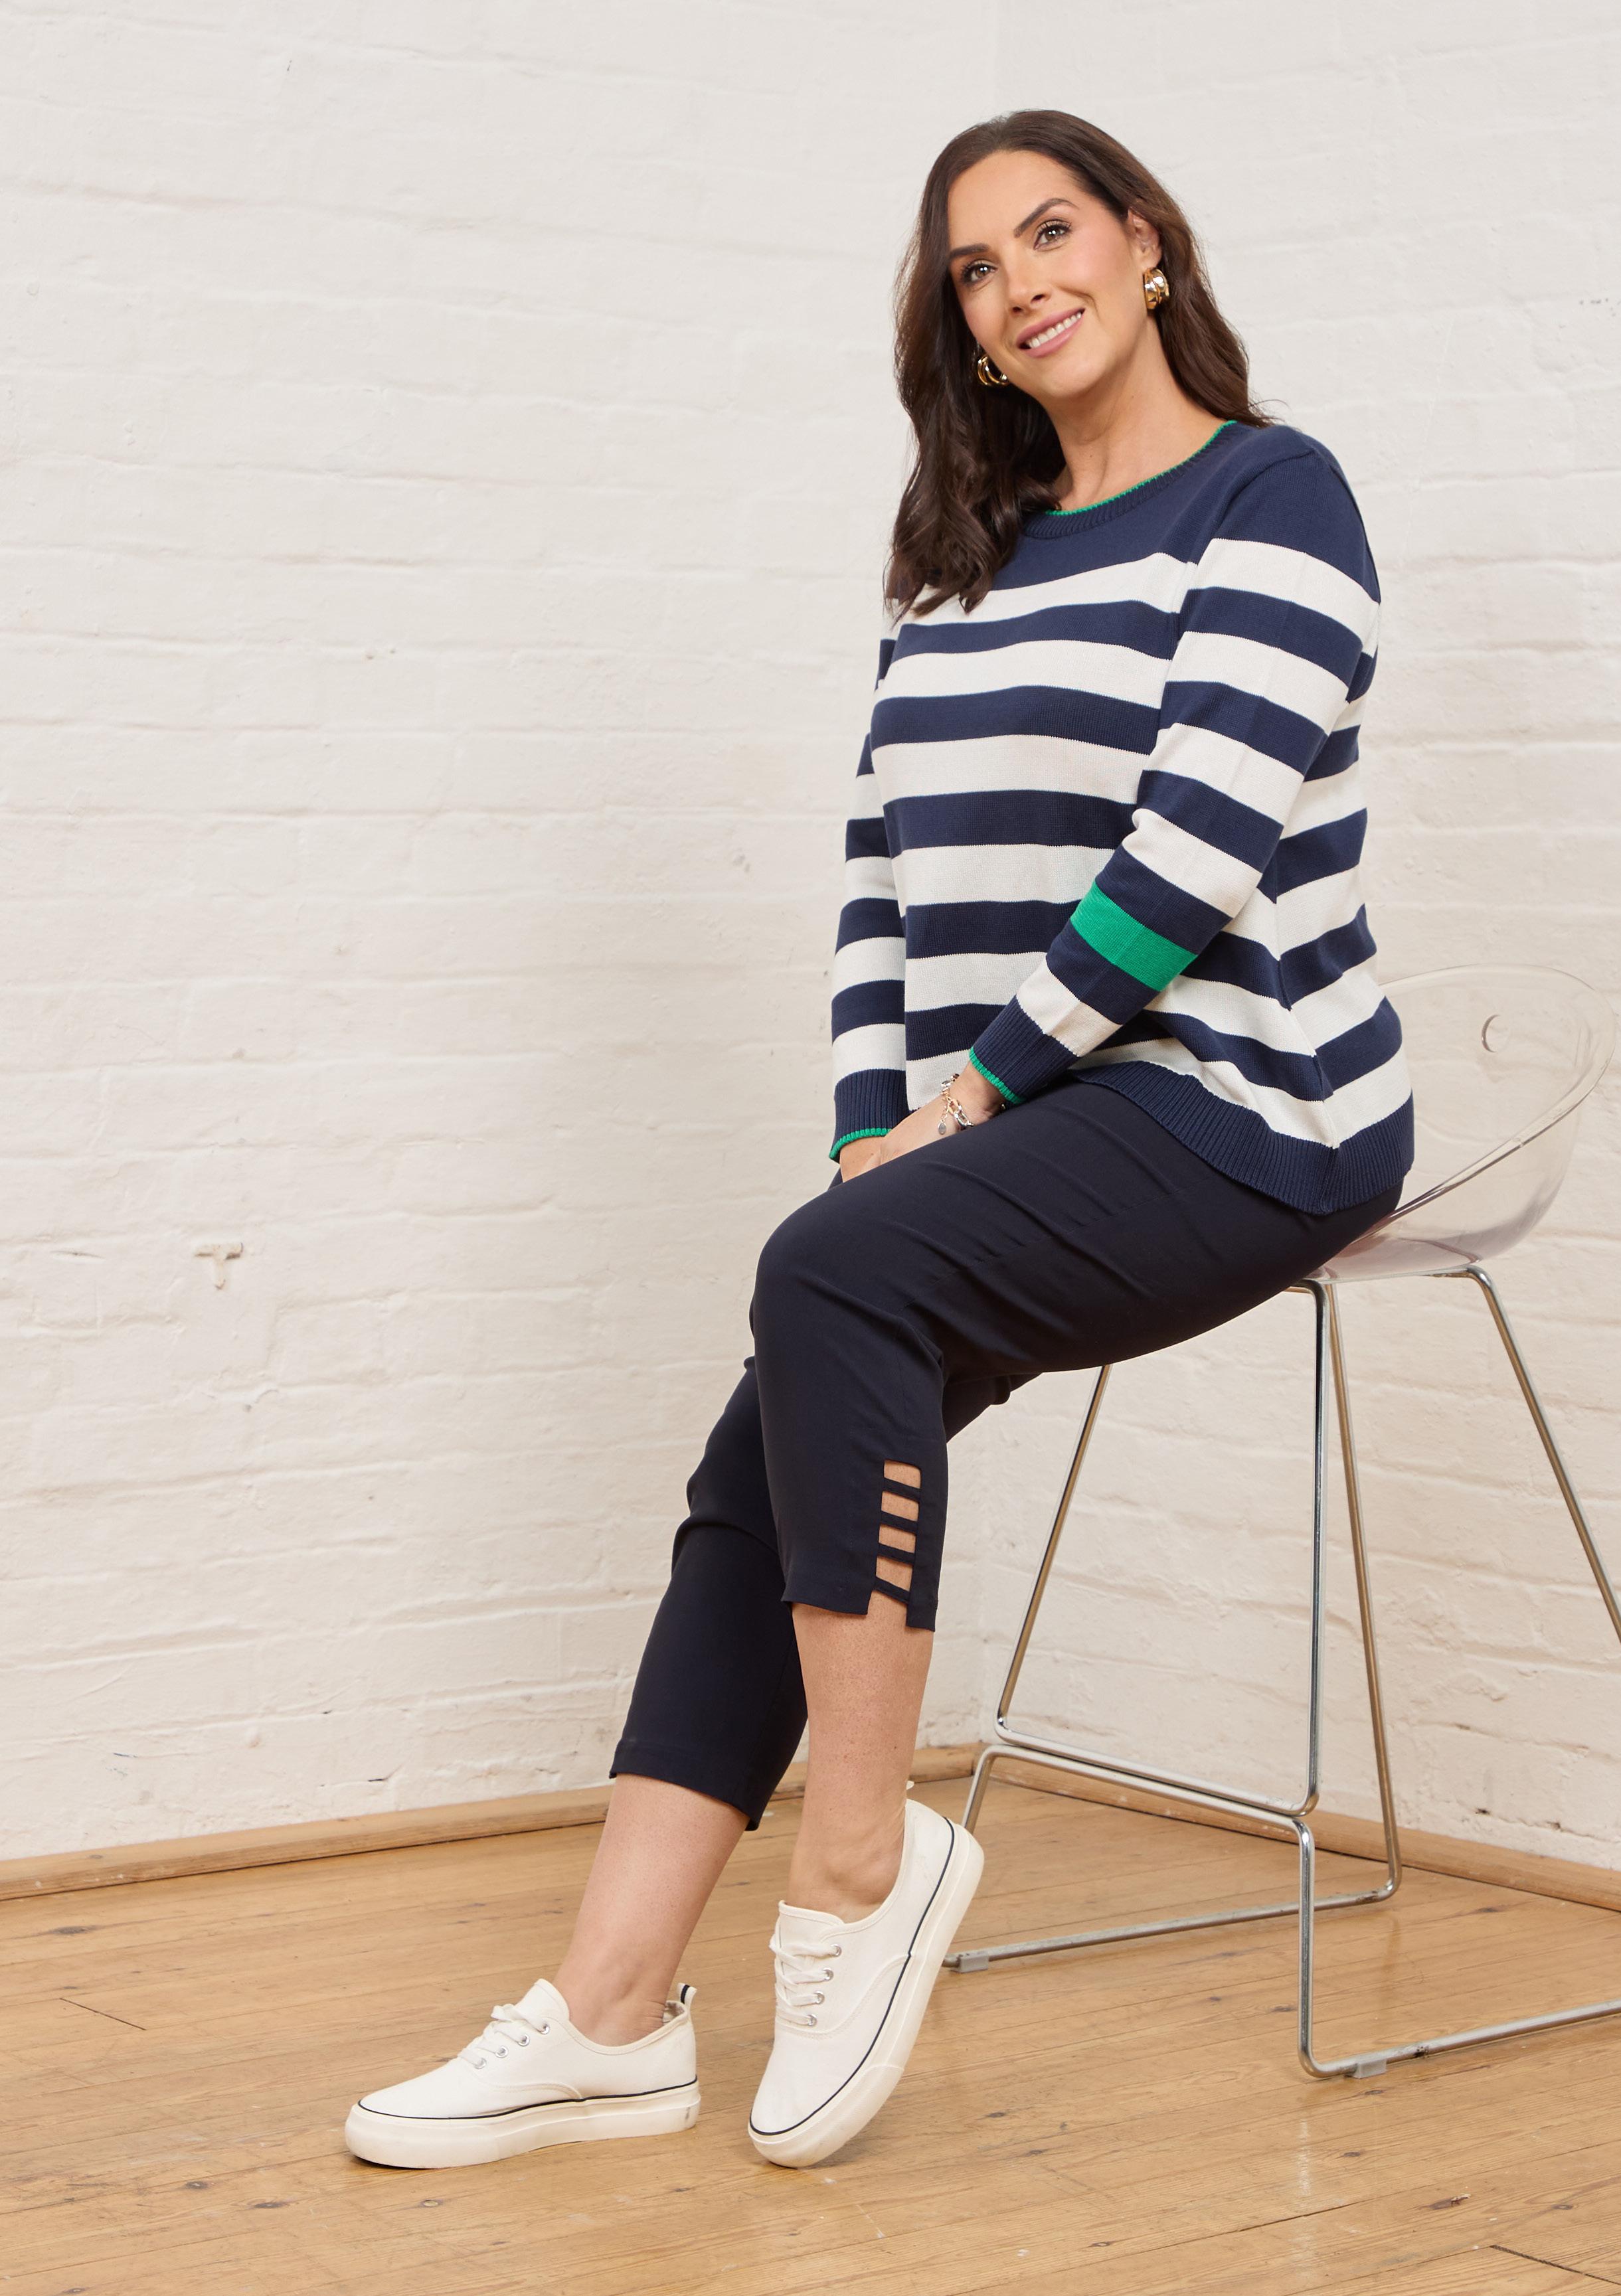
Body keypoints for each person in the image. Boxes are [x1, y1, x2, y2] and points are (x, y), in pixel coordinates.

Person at [343, 108, 1414, 2175]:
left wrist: (968, 1100)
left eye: (1051, 230)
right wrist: (872, 1129)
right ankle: (609, 2009)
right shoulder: (962, 556)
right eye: (975, 269)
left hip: (1250, 1106)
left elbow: (1198, 846)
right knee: (767, 1432)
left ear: (1145, 245)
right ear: (965, 330)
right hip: (1030, 1111)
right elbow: (879, 881)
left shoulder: (1274, 495)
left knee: (828, 1280)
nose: (1021, 283)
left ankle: (859, 1858)